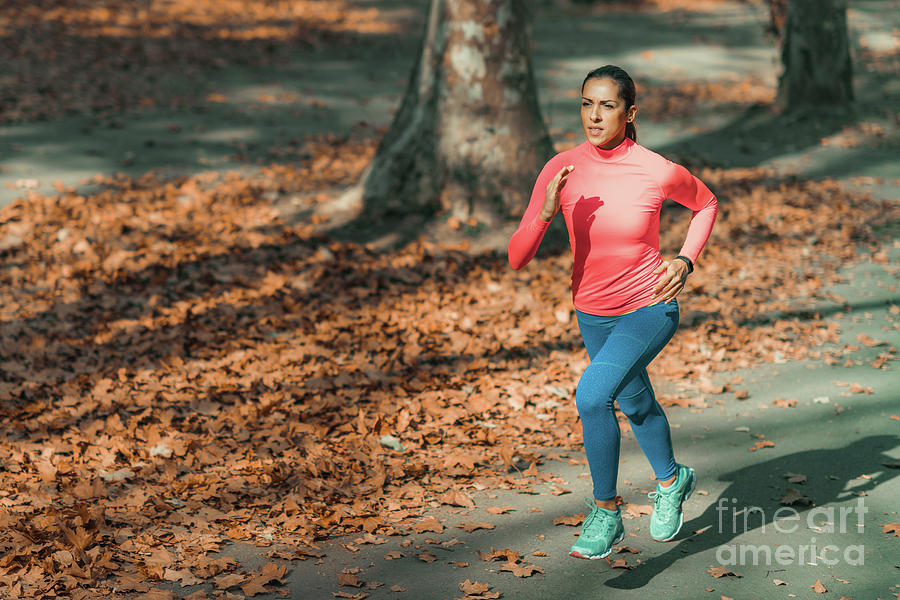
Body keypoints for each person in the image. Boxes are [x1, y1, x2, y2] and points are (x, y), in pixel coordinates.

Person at [507, 65, 718, 560]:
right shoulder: (560, 167)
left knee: (592, 394)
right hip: (592, 313)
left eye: (606, 105)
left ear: (630, 113)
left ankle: (605, 511)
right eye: (586, 104)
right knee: (635, 401)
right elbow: (517, 257)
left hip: (650, 305)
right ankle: (672, 480)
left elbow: (706, 203)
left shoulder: (654, 167)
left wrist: (685, 259)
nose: (594, 115)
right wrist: (544, 214)